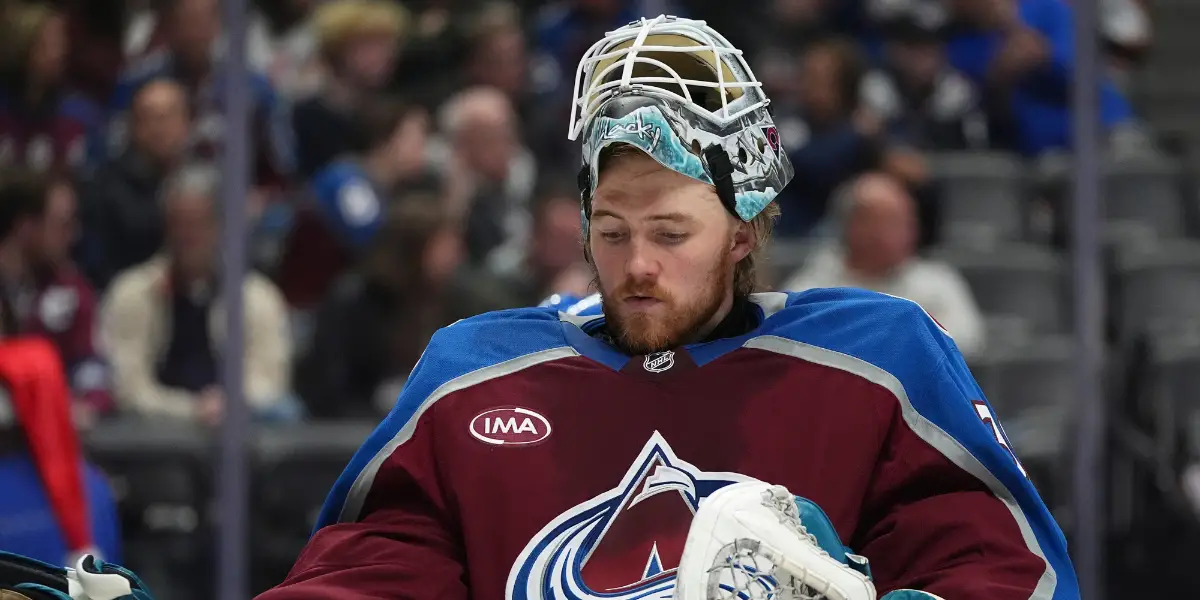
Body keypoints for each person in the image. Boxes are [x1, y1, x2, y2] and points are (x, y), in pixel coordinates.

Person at [99, 163, 294, 426]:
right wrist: (192, 411)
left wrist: (230, 402)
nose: (186, 237)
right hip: (152, 441)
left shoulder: (258, 298)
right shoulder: (131, 293)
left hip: (239, 438)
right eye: (177, 224)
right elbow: (127, 388)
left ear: (221, 227)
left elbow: (270, 381)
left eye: (197, 225)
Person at [784, 173, 986, 358]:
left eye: (909, 222)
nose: (909, 233)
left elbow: (967, 340)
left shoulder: (938, 281)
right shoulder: (813, 285)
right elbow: (795, 341)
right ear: (854, 226)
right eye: (892, 222)